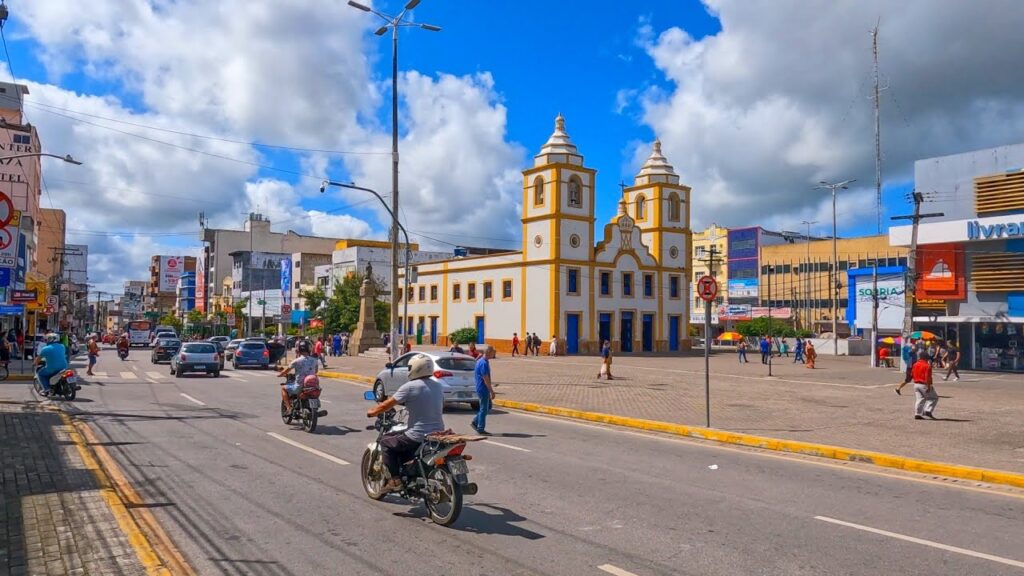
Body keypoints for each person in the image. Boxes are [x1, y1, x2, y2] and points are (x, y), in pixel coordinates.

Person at [367, 354, 446, 493]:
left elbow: (387, 404)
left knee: (386, 441)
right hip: (438, 432)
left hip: (418, 435)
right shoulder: (438, 386)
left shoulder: (410, 387)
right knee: (399, 439)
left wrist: (372, 412)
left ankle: (395, 480)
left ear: (415, 368)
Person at [277, 340, 319, 414]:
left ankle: (289, 408)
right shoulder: (315, 360)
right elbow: (316, 371)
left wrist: (280, 374)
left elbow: (286, 371)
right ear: (309, 349)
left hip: (299, 386)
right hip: (312, 387)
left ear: (299, 350)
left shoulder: (296, 361)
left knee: (283, 388)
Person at [471, 347, 496, 435]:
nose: (494, 354)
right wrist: (492, 391)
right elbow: (486, 379)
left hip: (482, 388)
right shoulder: (483, 363)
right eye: (493, 352)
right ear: (488, 352)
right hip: (483, 389)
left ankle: (475, 421)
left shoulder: (482, 361)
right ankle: (480, 428)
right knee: (484, 409)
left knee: (488, 407)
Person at [912, 350, 938, 419]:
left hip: (916, 384)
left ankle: (917, 413)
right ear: (926, 358)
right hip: (924, 384)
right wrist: (929, 386)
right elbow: (928, 377)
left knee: (920, 399)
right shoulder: (927, 366)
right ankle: (927, 410)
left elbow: (912, 374)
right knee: (934, 398)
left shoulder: (915, 364)